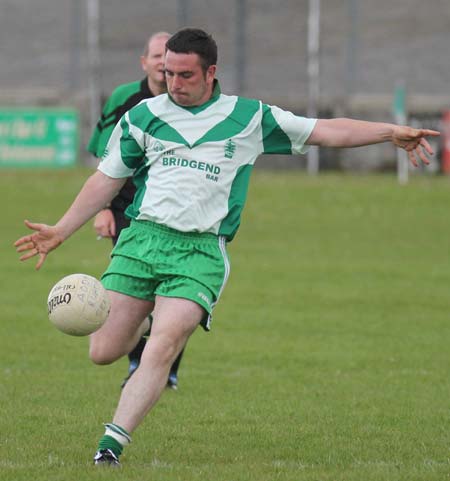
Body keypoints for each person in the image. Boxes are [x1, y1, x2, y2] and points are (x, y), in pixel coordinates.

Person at [14, 28, 440, 467]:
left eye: (184, 75)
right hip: (140, 241)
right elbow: (107, 178)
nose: (173, 84)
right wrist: (61, 230)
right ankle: (148, 316)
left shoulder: (249, 117)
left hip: (199, 252)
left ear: (211, 72)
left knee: (164, 345)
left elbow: (325, 131)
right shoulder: (143, 116)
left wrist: (389, 131)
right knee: (102, 352)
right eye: (167, 73)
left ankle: (111, 445)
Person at [88, 31, 185, 390]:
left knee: (172, 298)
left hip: (175, 217)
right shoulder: (125, 99)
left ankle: (166, 370)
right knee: (136, 297)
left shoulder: (190, 106)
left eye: (169, 56)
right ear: (143, 61)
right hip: (126, 210)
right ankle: (135, 364)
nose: (163, 63)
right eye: (157, 55)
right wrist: (103, 209)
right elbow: (104, 158)